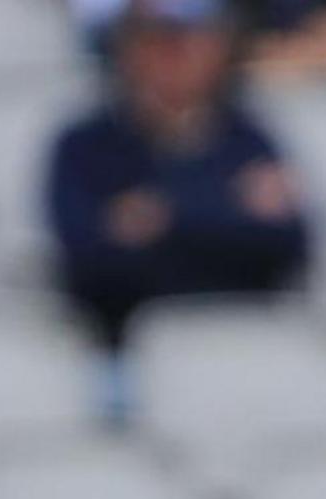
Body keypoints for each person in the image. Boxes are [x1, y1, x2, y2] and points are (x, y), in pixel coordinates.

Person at [46, 0, 310, 420]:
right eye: (155, 40)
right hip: (124, 354)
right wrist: (226, 212)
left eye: (188, 39)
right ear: (125, 50)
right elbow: (87, 261)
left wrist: (161, 217)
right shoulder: (84, 145)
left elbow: (287, 245)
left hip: (247, 343)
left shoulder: (247, 137)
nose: (174, 54)